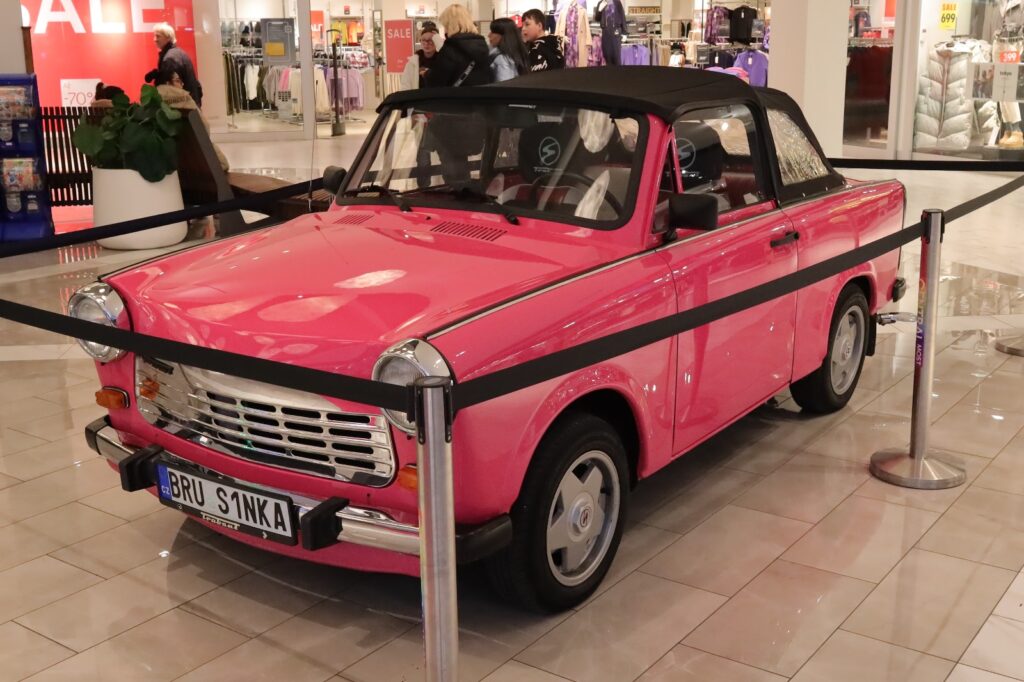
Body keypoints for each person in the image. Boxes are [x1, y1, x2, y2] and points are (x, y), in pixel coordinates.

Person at [422, 4, 493, 87]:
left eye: (445, 25)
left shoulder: (451, 47)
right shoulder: (482, 44)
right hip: (480, 93)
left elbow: (436, 80)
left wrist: (426, 74)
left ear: (450, 25)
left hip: (458, 94)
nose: (445, 29)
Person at [145, 23, 203, 107]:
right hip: (189, 104)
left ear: (168, 37)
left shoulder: (170, 58)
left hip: (183, 107)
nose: (155, 39)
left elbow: (171, 89)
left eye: (158, 36)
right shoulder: (178, 53)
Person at [401, 26, 441, 90]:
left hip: (437, 95)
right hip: (418, 95)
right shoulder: (413, 62)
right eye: (423, 40)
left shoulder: (442, 60)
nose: (426, 43)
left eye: (430, 40)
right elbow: (405, 85)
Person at [488, 18, 529, 82]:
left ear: (503, 35)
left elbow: (504, 85)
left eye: (493, 32)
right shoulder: (518, 54)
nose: (489, 35)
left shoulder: (502, 58)